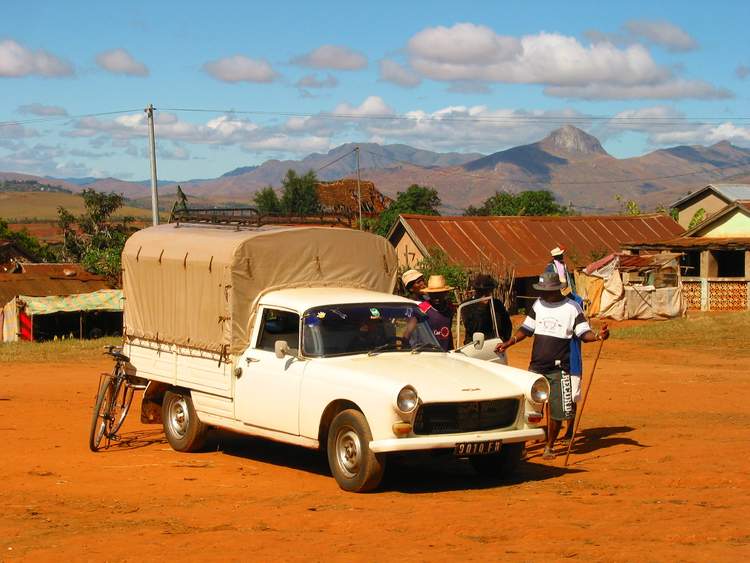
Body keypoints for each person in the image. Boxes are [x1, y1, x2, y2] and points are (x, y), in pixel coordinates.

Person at [495, 271, 609, 459]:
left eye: (545, 290)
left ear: (556, 290)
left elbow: (584, 334)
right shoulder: (538, 304)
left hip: (559, 369)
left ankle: (550, 445)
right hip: (536, 366)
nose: (542, 293)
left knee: (557, 411)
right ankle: (523, 446)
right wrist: (510, 342)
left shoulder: (572, 308)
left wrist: (598, 336)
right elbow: (526, 329)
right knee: (530, 408)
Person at [462, 274, 513, 344]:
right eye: (481, 292)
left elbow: (507, 324)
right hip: (474, 345)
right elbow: (472, 328)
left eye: (487, 291)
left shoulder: (497, 304)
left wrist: (504, 340)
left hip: (495, 345)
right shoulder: (467, 306)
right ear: (476, 291)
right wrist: (481, 307)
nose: (484, 295)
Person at [418, 275, 456, 351]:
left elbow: (448, 330)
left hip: (446, 352)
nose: (436, 297)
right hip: (429, 353)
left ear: (446, 293)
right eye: (433, 294)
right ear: (428, 294)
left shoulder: (449, 308)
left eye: (440, 293)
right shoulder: (423, 308)